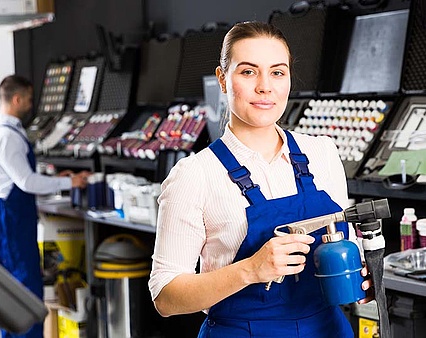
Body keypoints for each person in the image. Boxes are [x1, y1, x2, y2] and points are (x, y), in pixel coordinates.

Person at [148, 21, 373, 337]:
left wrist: (362, 277)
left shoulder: (322, 153)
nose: (265, 86)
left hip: (328, 329)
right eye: (248, 72)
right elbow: (165, 297)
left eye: (277, 72)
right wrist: (251, 269)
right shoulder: (195, 175)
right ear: (223, 80)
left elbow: (343, 249)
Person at [0, 75, 89, 338]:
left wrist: (57, 178)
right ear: (16, 99)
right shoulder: (7, 137)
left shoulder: (1, 132)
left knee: (12, 291)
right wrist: (70, 182)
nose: (31, 105)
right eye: (29, 99)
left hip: (10, 217)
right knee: (24, 291)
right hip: (12, 221)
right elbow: (27, 181)